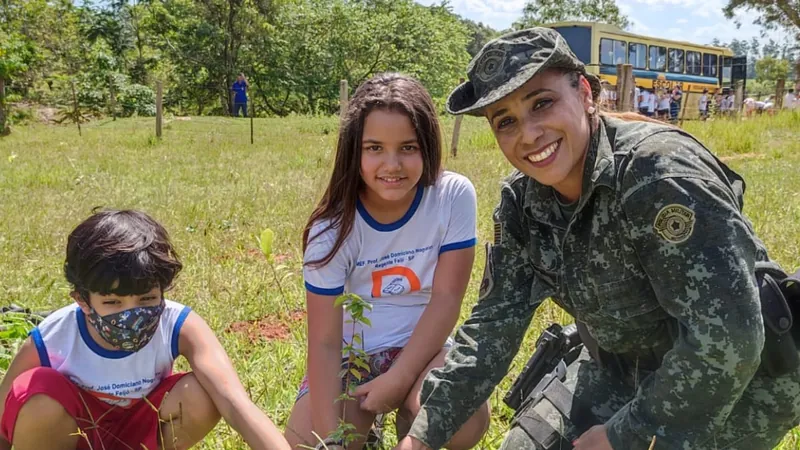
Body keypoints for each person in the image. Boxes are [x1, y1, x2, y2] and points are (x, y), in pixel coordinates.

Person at [395, 27, 800, 450]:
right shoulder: (522, 202)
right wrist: (422, 435)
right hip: (620, 367)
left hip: (736, 380)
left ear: (585, 93)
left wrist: (623, 435)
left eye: (543, 103)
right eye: (506, 121)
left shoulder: (659, 175)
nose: (529, 134)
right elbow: (495, 322)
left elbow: (730, 339)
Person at [284, 73, 490, 450]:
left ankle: (410, 427)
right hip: (352, 357)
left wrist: (399, 380)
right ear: (353, 151)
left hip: (425, 350)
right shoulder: (331, 229)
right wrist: (331, 441)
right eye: (374, 148)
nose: (391, 164)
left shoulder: (452, 195)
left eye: (408, 148)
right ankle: (363, 431)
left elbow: (446, 299)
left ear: (427, 146)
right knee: (304, 443)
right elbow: (326, 343)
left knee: (462, 417)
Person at [0, 209, 291, 450]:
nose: (131, 314)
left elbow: (234, 401)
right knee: (35, 391)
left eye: (147, 299)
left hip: (142, 435)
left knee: (202, 392)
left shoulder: (178, 325)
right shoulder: (52, 338)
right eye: (113, 301)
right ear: (82, 300)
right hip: (73, 436)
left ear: (162, 291)